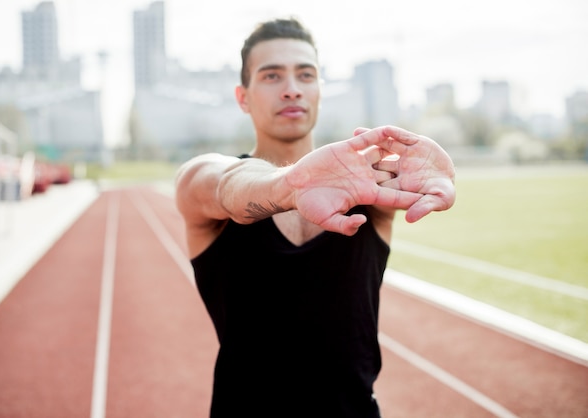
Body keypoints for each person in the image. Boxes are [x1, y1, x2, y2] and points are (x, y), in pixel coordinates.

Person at [175, 17, 456, 418]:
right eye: (271, 76)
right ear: (243, 97)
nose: (292, 88)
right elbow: (224, 186)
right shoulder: (205, 179)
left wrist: (429, 171)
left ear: (319, 90)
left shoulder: (367, 187)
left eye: (305, 75)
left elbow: (409, 178)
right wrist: (290, 185)